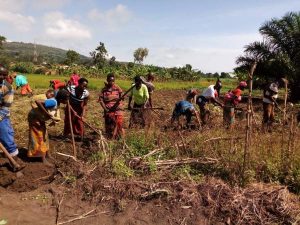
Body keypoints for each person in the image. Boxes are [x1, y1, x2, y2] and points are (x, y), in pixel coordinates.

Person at [28, 89, 68, 165]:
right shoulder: (53, 102)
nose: (67, 101)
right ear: (61, 99)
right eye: (66, 100)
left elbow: (54, 112)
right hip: (35, 118)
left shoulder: (56, 102)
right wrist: (47, 113)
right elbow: (38, 102)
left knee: (45, 136)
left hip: (39, 118)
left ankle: (47, 155)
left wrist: (53, 120)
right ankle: (43, 159)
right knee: (40, 137)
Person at [0, 65, 19, 158]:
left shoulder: (8, 87)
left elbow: (6, 106)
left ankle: (13, 157)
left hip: (2, 114)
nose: (2, 77)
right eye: (0, 74)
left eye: (4, 75)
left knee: (5, 134)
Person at [99, 73, 125, 139]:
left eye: (113, 81)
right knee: (109, 125)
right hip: (108, 110)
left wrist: (121, 98)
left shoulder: (117, 88)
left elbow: (122, 96)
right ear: (107, 80)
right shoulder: (104, 90)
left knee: (119, 123)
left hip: (117, 109)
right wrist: (105, 109)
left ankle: (120, 138)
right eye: (110, 81)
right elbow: (101, 100)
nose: (111, 82)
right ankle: (110, 138)